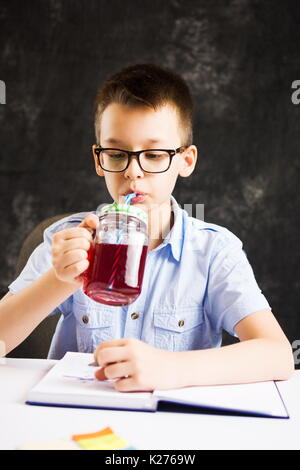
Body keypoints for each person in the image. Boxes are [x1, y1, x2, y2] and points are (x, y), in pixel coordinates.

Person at [0, 64, 294, 392]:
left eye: (153, 155)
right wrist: (58, 279)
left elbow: (278, 355)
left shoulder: (212, 252)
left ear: (186, 160)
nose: (133, 172)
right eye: (116, 154)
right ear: (99, 160)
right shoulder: (68, 239)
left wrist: (170, 369)